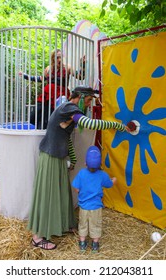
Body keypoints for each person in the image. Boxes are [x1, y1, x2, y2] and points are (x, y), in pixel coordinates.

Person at [27, 85, 129, 250]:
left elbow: (66, 138)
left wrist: (72, 159)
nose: (89, 105)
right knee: (48, 194)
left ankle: (64, 224)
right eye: (88, 101)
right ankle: (37, 237)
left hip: (58, 157)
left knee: (61, 192)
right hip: (51, 157)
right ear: (80, 97)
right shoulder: (69, 108)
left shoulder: (69, 110)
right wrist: (117, 125)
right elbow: (89, 123)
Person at [20, 49, 85, 129]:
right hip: (47, 95)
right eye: (57, 57)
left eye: (61, 57)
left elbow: (80, 77)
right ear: (53, 58)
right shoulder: (48, 68)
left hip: (60, 96)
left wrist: (83, 64)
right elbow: (40, 79)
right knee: (38, 114)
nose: (59, 59)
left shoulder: (67, 67)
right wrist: (25, 76)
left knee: (56, 116)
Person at [72, 145, 117, 252]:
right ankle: (95, 245)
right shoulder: (103, 175)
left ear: (85, 163)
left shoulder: (82, 173)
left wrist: (82, 192)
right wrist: (115, 179)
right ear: (100, 164)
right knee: (95, 225)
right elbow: (110, 184)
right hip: (96, 207)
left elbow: (76, 188)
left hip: (83, 207)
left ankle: (82, 243)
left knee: (83, 224)